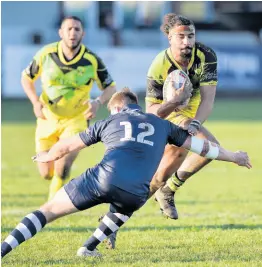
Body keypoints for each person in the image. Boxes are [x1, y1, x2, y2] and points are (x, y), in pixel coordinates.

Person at [1, 88, 251, 259]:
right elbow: (202, 147)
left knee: (47, 211)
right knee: (125, 205)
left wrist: (48, 155)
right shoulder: (163, 125)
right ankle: (88, 248)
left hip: (103, 179)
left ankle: (3, 250)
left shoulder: (111, 120)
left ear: (119, 107)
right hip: (136, 193)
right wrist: (235, 157)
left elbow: (68, 145)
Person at [21, 16, 116, 200]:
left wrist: (97, 102)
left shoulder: (91, 60)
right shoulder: (46, 54)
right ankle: (53, 182)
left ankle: (51, 205)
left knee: (62, 164)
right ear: (61, 32)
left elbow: (111, 87)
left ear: (83, 33)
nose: (73, 33)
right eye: (69, 29)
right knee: (45, 172)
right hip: (47, 118)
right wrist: (35, 101)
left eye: (77, 29)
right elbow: (26, 78)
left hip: (77, 119)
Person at [146, 13, 222, 219]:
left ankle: (115, 220)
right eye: (181, 37)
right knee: (211, 147)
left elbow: (207, 100)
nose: (187, 41)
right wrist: (173, 103)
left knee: (159, 178)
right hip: (169, 113)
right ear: (170, 38)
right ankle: (116, 218)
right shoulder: (160, 63)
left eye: (191, 36)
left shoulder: (206, 55)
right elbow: (151, 109)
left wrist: (196, 122)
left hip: (193, 115)